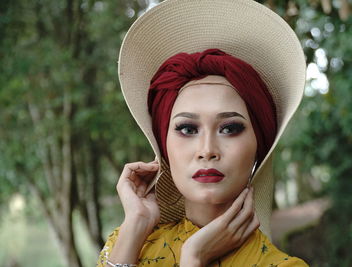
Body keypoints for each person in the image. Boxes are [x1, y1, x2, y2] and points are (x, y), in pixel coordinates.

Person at [97, 0, 308, 266]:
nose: (207, 149)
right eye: (187, 129)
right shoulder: (127, 243)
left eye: (230, 128)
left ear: (259, 144)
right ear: (164, 146)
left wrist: (194, 257)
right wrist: (136, 224)